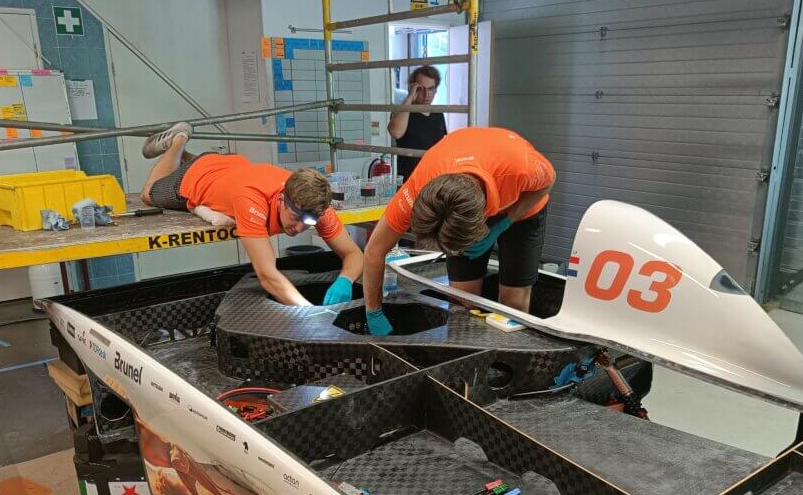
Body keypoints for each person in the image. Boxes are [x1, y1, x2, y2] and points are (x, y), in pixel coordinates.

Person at [139, 122, 363, 307]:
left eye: (309, 222)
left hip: (228, 164)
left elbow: (354, 254)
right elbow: (268, 277)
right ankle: (179, 141)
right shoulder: (251, 200)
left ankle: (191, 156)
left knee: (207, 165)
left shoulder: (316, 204)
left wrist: (345, 279)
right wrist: (311, 313)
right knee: (147, 194)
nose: (299, 229)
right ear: (281, 198)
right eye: (296, 219)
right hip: (196, 177)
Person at [362, 126, 555, 336]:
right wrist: (373, 311)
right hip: (463, 192)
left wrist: (506, 220)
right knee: (462, 302)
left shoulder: (521, 168)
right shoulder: (418, 190)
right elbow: (374, 251)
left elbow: (548, 182)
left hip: (524, 204)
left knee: (514, 305)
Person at [387, 65, 447, 181]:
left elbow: (441, 144)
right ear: (413, 88)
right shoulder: (403, 111)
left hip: (433, 178)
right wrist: (410, 96)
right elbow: (395, 132)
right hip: (410, 179)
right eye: (421, 89)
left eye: (431, 89)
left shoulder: (438, 114)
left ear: (435, 90)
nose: (426, 94)